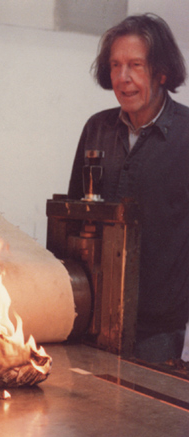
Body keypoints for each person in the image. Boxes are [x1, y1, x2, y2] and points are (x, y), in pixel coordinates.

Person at [67, 14, 189, 362]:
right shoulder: (97, 129)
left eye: (136, 65)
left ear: (162, 72)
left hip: (161, 332)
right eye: (115, 65)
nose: (123, 78)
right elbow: (74, 218)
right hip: (93, 317)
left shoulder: (186, 135)